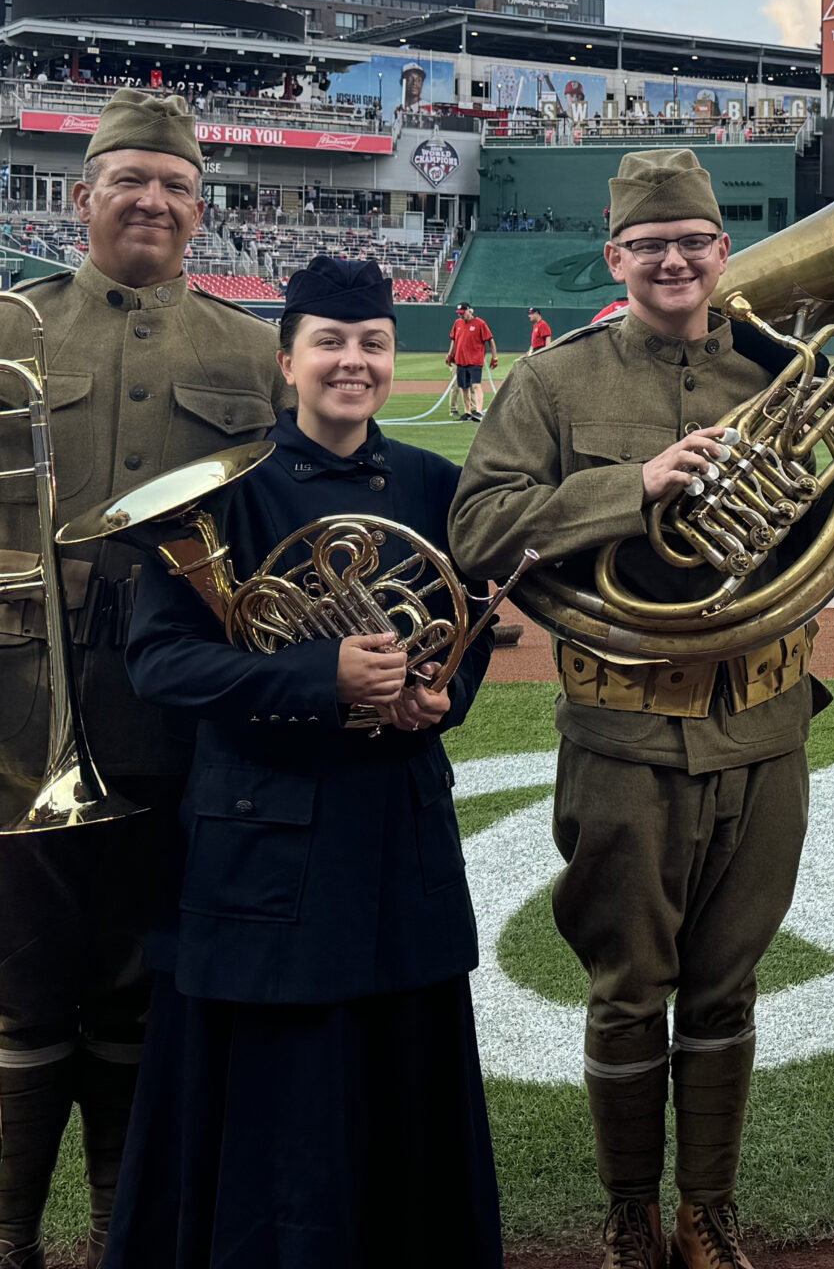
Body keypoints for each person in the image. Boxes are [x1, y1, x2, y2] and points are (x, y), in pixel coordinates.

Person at [0, 90, 288, 1269]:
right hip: (9, 720)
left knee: (146, 991)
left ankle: (122, 1227)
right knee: (19, 990)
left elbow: (287, 534)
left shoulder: (254, 352)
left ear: (204, 211)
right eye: (128, 179)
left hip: (178, 728)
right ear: (80, 196)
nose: (151, 200)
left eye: (175, 185)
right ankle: (9, 1231)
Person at [451, 148, 834, 1269]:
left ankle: (708, 1208)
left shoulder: (777, 371)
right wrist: (635, 487)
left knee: (728, 983)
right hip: (624, 730)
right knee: (626, 985)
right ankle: (629, 1212)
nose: (674, 260)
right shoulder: (555, 385)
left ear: (720, 252)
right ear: (616, 258)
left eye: (693, 241)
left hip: (762, 725)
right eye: (649, 245)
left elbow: (815, 547)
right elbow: (480, 530)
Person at [102, 257, 501, 1268]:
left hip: (394, 829)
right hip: (262, 832)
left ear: (391, 356)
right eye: (329, 342)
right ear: (287, 361)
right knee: (280, 1101)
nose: (351, 363)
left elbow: (471, 632)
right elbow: (162, 660)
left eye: (370, 343)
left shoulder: (430, 484)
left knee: (400, 1077)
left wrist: (436, 697)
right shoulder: (227, 491)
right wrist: (321, 678)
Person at [447, 301, 497, 421]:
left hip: (475, 360)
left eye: (462, 313)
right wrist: (450, 354)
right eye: (459, 313)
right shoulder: (457, 323)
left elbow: (490, 340)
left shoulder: (480, 323)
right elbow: (453, 339)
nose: (460, 315)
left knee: (476, 385)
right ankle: (467, 411)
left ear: (469, 311)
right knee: (464, 387)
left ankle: (478, 411)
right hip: (460, 360)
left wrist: (494, 357)